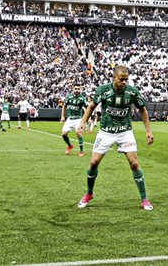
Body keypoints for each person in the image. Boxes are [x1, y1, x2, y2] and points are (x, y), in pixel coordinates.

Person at [76, 66, 154, 211]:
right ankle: (89, 193)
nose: (124, 82)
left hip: (125, 131)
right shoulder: (103, 90)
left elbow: (143, 110)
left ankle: (144, 198)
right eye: (121, 79)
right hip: (106, 132)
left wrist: (148, 131)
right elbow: (91, 106)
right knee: (93, 163)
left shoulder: (132, 92)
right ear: (114, 78)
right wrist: (82, 123)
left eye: (126, 79)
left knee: (135, 164)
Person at [60, 84, 88, 156]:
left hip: (78, 119)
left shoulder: (82, 98)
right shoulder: (69, 97)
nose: (77, 90)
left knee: (78, 133)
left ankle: (81, 151)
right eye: (76, 89)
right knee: (63, 134)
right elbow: (64, 106)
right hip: (70, 119)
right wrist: (62, 116)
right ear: (73, 89)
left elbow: (88, 108)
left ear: (80, 90)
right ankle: (69, 146)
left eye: (78, 89)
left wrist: (88, 118)